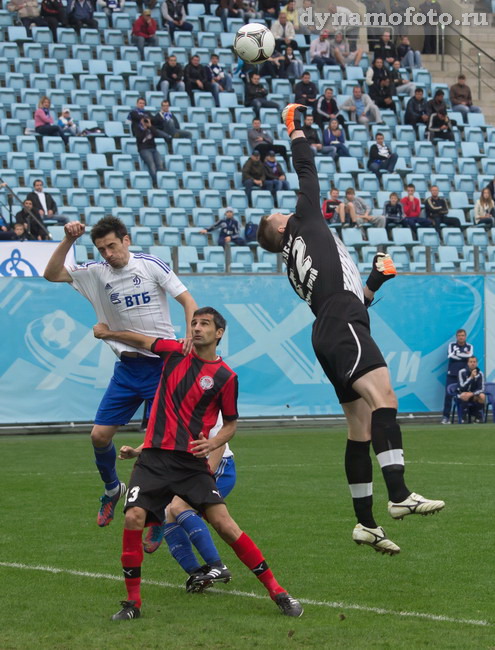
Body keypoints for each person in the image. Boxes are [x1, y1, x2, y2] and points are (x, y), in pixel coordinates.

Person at [257, 103, 445, 555]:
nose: (284, 211)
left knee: (358, 429)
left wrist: (377, 279)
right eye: (278, 214)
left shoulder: (294, 261)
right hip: (342, 324)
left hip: (330, 327)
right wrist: (295, 130)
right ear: (281, 226)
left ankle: (366, 525)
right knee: (386, 399)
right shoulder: (302, 221)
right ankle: (399, 494)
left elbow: (351, 294)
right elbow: (307, 172)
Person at [93, 307, 303, 620]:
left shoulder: (225, 377)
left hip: (191, 464)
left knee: (225, 525)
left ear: (219, 333)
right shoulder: (175, 351)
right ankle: (133, 604)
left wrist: (215, 442)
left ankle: (278, 592)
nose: (197, 327)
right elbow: (140, 340)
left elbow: (231, 424)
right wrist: (109, 333)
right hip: (154, 459)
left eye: (204, 323)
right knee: (133, 516)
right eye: (194, 322)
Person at [43, 217, 198, 528]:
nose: (107, 254)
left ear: (126, 241)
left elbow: (187, 300)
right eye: (102, 249)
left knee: (159, 446)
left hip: (162, 368)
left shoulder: (150, 265)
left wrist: (191, 334)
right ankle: (113, 489)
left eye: (112, 246)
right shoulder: (96, 274)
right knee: (99, 436)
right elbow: (50, 274)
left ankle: (157, 515)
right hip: (127, 369)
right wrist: (68, 240)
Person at [441, 328, 474, 424]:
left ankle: (465, 417)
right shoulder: (451, 345)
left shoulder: (469, 346)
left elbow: (470, 356)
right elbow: (451, 356)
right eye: (459, 336)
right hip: (452, 374)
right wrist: (462, 355)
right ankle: (445, 417)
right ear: (456, 337)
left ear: (465, 336)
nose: (461, 337)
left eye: (463, 335)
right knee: (448, 396)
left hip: (464, 376)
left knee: (465, 395)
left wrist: (458, 354)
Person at [131, 114, 165, 186]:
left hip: (153, 148)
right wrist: (145, 128)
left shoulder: (151, 128)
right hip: (144, 149)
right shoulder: (137, 128)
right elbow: (139, 138)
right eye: (144, 120)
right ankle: (156, 182)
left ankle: (161, 181)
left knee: (160, 164)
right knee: (151, 164)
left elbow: (157, 134)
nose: (145, 121)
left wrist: (150, 126)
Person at [457, 356, 485, 423]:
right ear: (468, 363)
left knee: (482, 396)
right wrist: (471, 377)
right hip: (463, 393)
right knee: (464, 395)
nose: (473, 363)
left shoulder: (480, 373)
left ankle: (478, 417)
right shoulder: (461, 372)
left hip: (474, 394)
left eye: (474, 362)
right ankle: (464, 417)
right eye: (471, 362)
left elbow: (481, 388)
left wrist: (472, 393)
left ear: (477, 363)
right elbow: (462, 387)